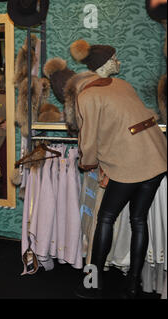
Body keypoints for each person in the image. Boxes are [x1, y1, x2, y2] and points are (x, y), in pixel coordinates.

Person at [67, 39, 167, 299]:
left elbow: (88, 139)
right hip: (157, 157)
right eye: (115, 58)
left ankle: (91, 284)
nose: (118, 62)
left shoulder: (87, 96)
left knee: (105, 219)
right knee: (138, 220)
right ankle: (132, 284)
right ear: (104, 64)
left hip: (127, 165)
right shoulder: (123, 85)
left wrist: (87, 163)